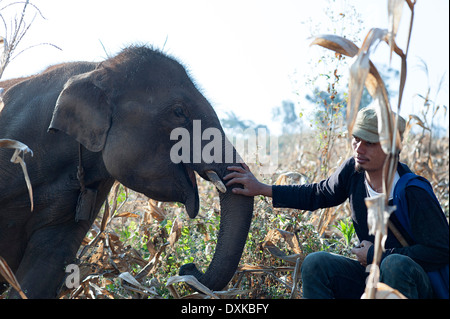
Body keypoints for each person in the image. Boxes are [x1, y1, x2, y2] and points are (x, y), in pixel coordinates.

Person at [224, 106, 449, 299]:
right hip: (370, 278)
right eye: (356, 139)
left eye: (369, 142)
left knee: (394, 265)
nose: (359, 149)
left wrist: (377, 256)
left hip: (411, 285)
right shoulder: (353, 172)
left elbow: (440, 250)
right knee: (316, 263)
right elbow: (318, 194)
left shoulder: (413, 192)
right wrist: (261, 188)